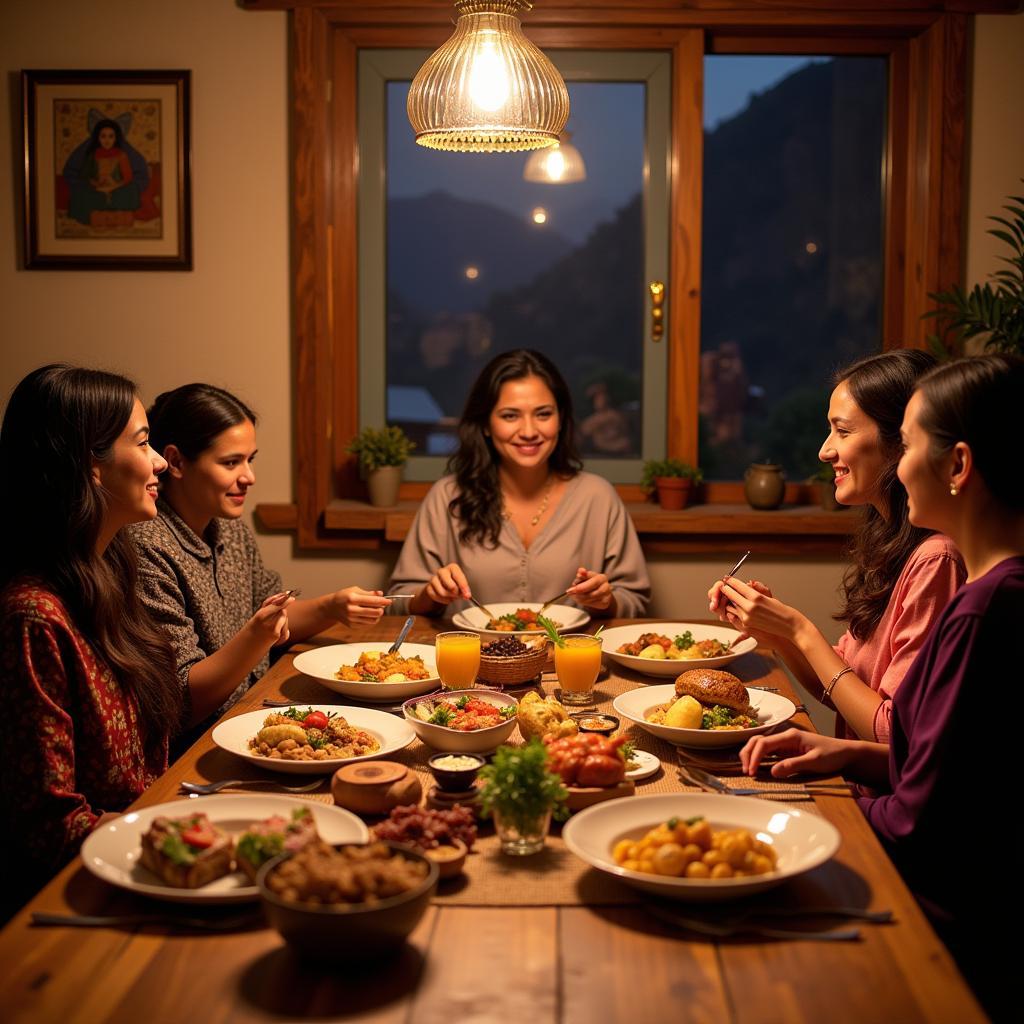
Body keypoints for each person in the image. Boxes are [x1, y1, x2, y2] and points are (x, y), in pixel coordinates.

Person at [739, 354, 1022, 1019]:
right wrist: (848, 757)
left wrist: (802, 816)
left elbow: (922, 826)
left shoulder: (982, 603)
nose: (898, 465)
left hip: (935, 915)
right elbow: (946, 764)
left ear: (958, 467)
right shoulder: (986, 593)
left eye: (911, 445)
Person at [709, 350, 965, 742]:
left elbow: (890, 734)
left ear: (902, 442)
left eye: (842, 432)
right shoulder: (890, 538)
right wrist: (775, 631)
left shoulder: (937, 559)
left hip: (876, 799)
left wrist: (799, 629)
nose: (824, 451)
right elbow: (841, 690)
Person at [0, 365, 181, 901]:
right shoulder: (33, 618)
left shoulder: (112, 573)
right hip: (82, 893)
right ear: (90, 466)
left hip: (146, 851)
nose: (158, 462)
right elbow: (50, 829)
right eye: (144, 442)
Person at [130, 384, 390, 731]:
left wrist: (333, 607)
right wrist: (258, 635)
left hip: (255, 709)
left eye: (249, 460)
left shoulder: (229, 529)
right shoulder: (147, 545)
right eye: (230, 462)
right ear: (175, 462)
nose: (248, 477)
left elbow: (272, 617)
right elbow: (182, 700)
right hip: (200, 741)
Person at [390, 349, 650, 617]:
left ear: (560, 419)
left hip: (567, 656)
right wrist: (431, 595)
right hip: (473, 656)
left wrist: (606, 600)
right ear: (486, 425)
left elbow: (635, 600)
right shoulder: (447, 496)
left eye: (543, 414)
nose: (528, 432)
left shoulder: (597, 497)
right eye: (510, 416)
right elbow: (400, 600)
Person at [62, 117, 146, 226]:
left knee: (132, 190)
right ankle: (104, 209)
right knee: (79, 192)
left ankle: (110, 210)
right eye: (103, 136)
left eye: (111, 136)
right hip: (97, 190)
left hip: (117, 190)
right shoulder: (92, 155)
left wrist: (113, 185)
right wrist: (97, 184)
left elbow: (128, 178)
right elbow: (84, 176)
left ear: (115, 138)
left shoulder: (121, 155)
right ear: (98, 138)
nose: (107, 140)